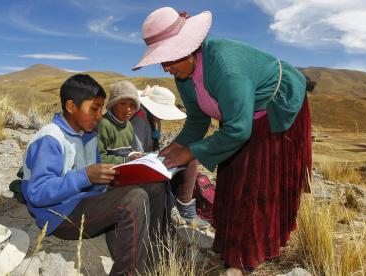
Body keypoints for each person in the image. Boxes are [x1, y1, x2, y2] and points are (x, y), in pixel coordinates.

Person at [132, 7, 312, 276]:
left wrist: (190, 153)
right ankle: (228, 250)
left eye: (169, 58)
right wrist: (177, 146)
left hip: (273, 113)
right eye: (162, 61)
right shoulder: (183, 75)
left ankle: (244, 261)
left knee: (255, 185)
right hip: (241, 121)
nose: (165, 67)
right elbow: (197, 120)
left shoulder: (226, 68)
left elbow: (239, 131)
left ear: (189, 48)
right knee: (231, 183)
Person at [21, 74, 166, 276]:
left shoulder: (89, 135)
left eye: (101, 108)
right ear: (71, 106)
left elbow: (96, 181)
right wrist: (86, 176)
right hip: (60, 216)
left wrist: (126, 173)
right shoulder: (50, 138)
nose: (100, 115)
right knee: (134, 199)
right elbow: (37, 193)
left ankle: (152, 256)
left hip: (86, 203)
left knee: (155, 187)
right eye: (94, 108)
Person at [131, 84, 210, 229]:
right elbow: (136, 155)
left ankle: (185, 207)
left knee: (189, 155)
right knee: (189, 158)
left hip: (151, 161)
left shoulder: (153, 120)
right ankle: (186, 210)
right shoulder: (139, 121)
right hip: (142, 166)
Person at [97, 80, 144, 164]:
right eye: (122, 103)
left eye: (133, 105)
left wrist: (135, 155)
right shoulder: (104, 124)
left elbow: (124, 151)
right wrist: (126, 160)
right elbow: (98, 157)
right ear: (113, 104)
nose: (128, 109)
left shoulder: (128, 125)